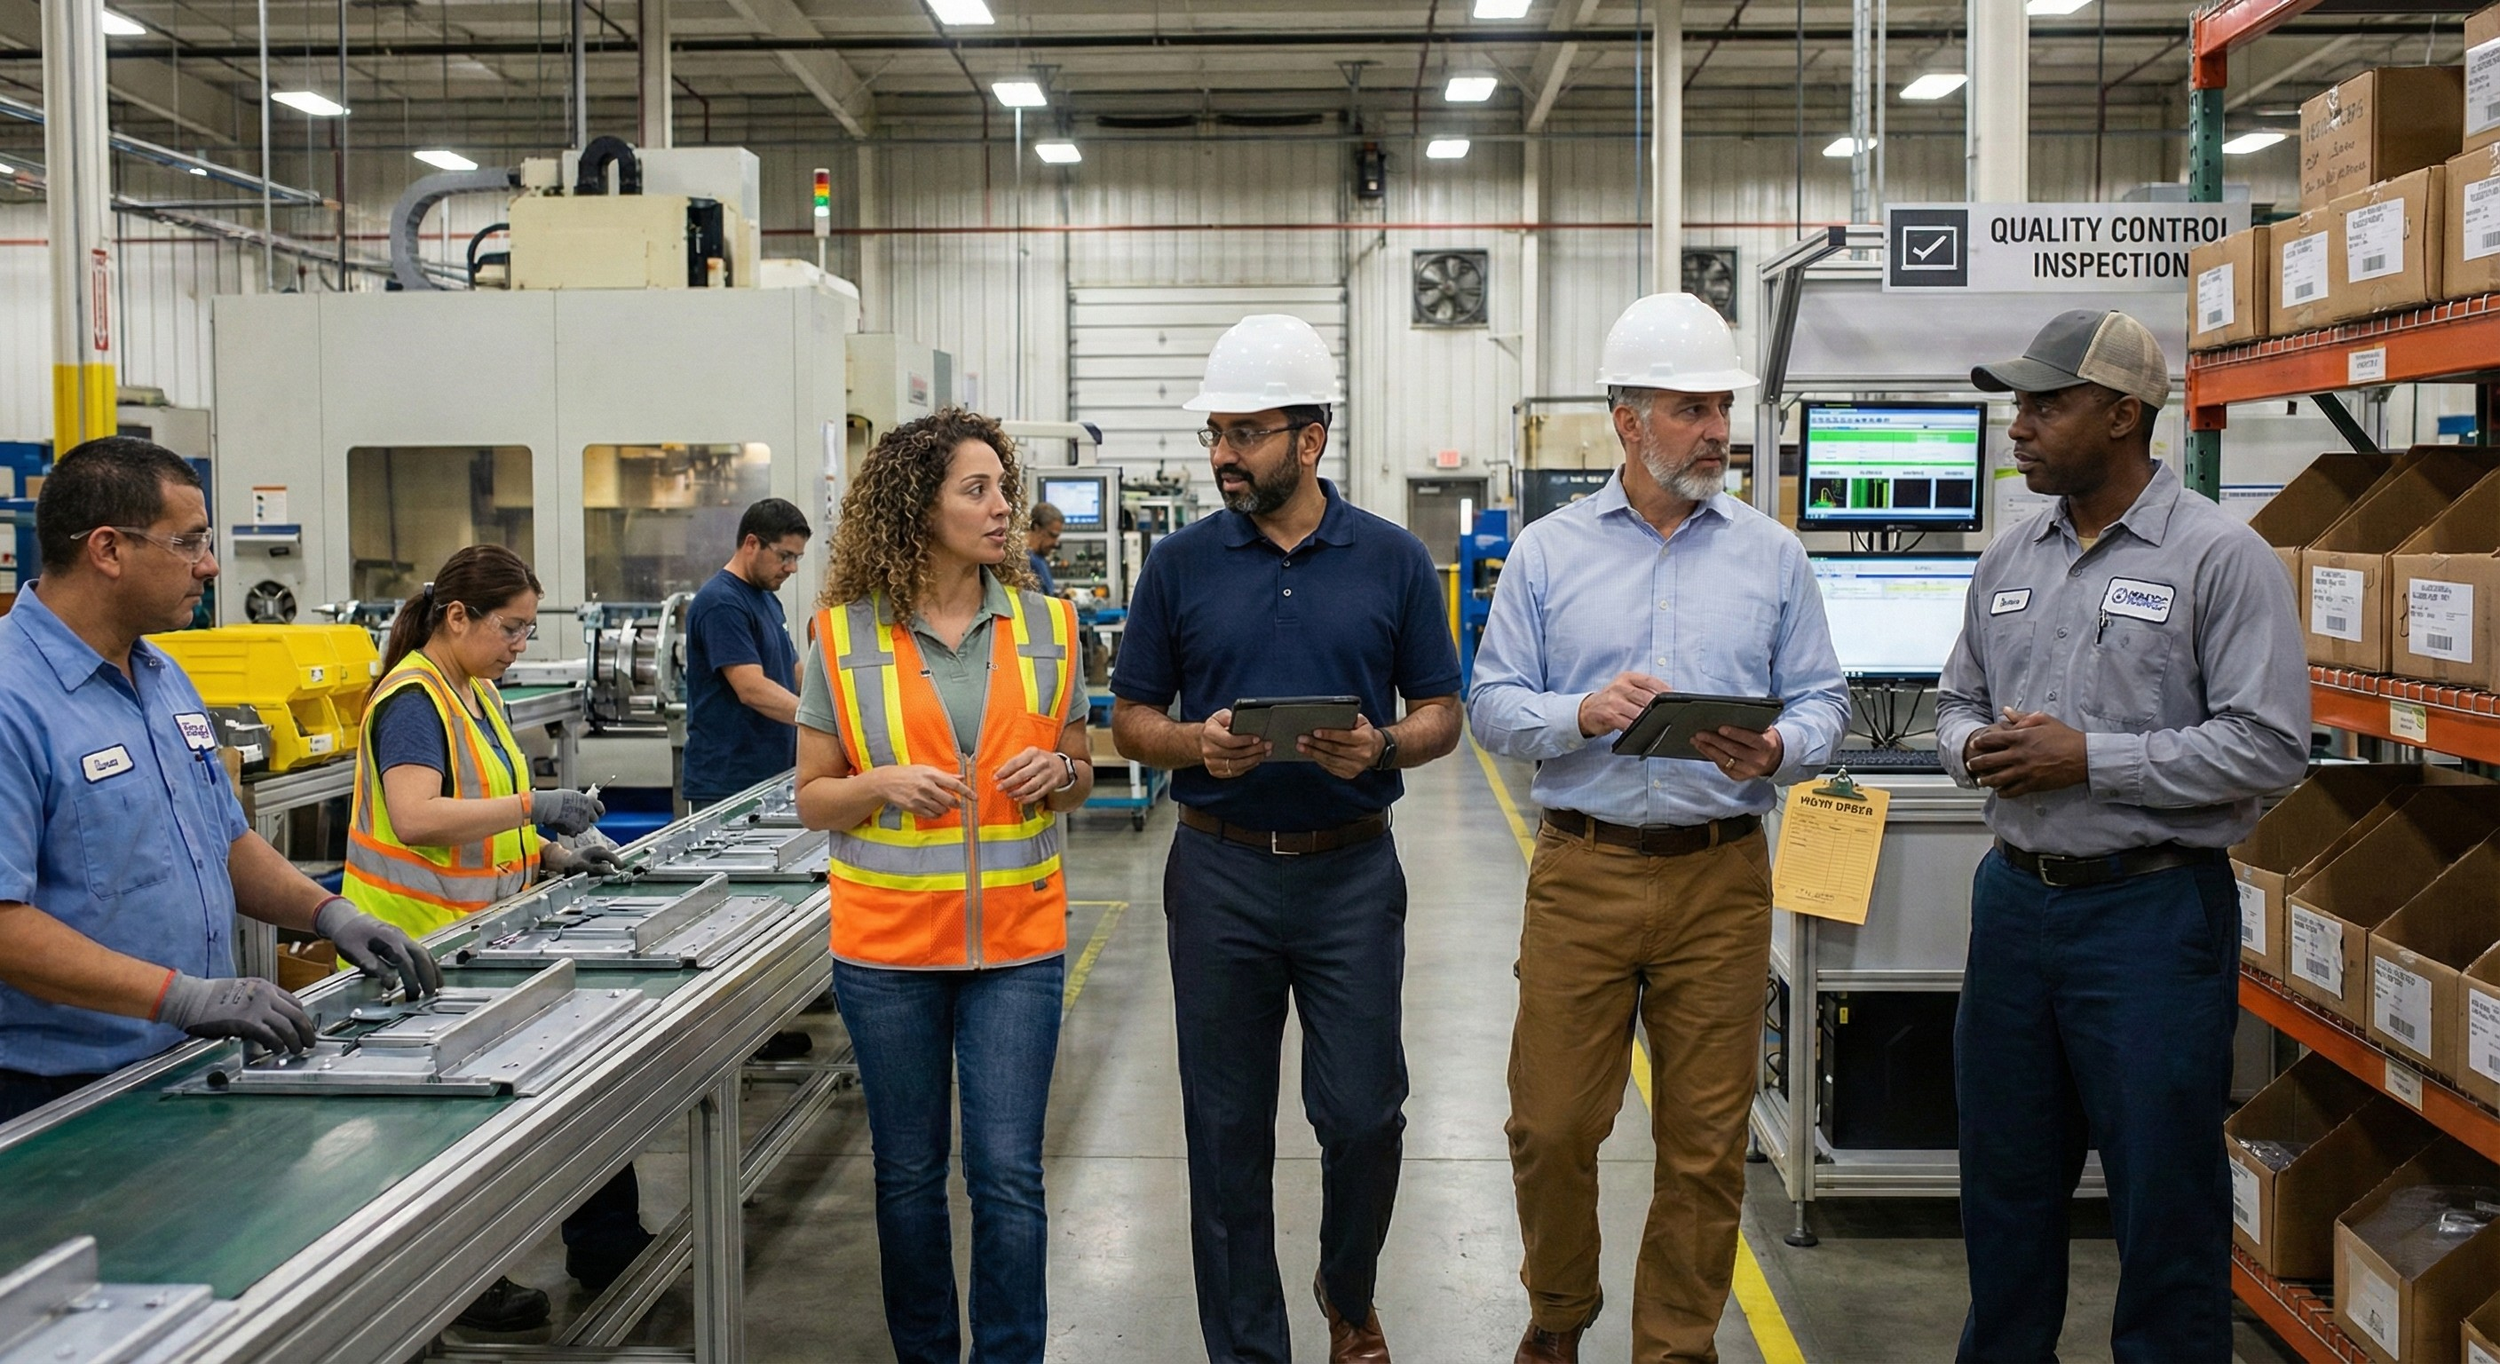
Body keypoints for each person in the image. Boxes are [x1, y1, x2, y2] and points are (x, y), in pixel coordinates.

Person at [1469, 292, 1849, 1364]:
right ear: (1628, 420)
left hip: (1718, 879)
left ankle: (1674, 1343)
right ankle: (1559, 1306)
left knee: (1704, 1141)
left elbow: (1824, 699)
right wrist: (1577, 712)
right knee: (1548, 1124)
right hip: (1581, 869)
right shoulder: (1547, 555)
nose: (1716, 430)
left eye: (1721, 406)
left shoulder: (1771, 556)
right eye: (1692, 408)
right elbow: (1492, 705)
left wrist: (1776, 749)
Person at [1941, 310, 2308, 1361]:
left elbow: (2268, 746)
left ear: (2121, 414)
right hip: (2012, 904)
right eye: (2018, 403)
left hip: (2149, 913)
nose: (2017, 426)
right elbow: (1955, 696)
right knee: (2003, 1182)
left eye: (2043, 405)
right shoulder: (2009, 557)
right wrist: (1970, 747)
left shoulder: (2219, 560)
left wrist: (2089, 758)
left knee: (2162, 1192)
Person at [1111, 313, 1464, 1364]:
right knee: (1224, 1133)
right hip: (1216, 867)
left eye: (1247, 432)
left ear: (1311, 439)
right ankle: (1248, 1349)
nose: (1222, 453)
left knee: (1364, 1114)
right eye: (1216, 431)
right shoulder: (1176, 564)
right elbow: (1131, 718)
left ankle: (1345, 1288)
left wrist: (1383, 746)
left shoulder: (1393, 559)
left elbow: (1442, 710)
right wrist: (1194, 741)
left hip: (1351, 870)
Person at [0, 436, 439, 1122]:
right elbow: (4, 926)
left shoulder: (163, 675)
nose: (208, 566)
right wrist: (183, 995)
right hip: (58, 1094)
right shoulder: (11, 700)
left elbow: (223, 841)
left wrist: (330, 916)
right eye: (188, 543)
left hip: (184, 1061)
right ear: (108, 549)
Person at [794, 407, 1092, 1364]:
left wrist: (1066, 776)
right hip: (885, 954)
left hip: (1018, 947)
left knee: (1007, 1176)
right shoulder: (840, 637)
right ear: (917, 507)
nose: (1004, 505)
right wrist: (875, 786)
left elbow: (1080, 762)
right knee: (909, 1178)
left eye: (1003, 486)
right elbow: (811, 798)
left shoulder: (1051, 626)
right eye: (978, 489)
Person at [345, 542, 645, 1328]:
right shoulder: (414, 700)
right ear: (456, 617)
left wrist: (556, 852)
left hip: (487, 933)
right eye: (510, 629)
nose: (520, 646)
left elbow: (489, 815)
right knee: (443, 1137)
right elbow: (416, 817)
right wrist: (533, 810)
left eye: (525, 631)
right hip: (418, 949)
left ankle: (605, 1242)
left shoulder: (474, 691)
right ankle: (450, 1287)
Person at [681, 497, 811, 814]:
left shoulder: (766, 598)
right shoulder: (722, 602)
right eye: (785, 556)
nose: (791, 568)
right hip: (729, 784)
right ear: (752, 543)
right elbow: (751, 689)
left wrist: (843, 696)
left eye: (797, 558)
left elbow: (792, 671)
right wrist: (822, 721)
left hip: (771, 775)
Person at [1026, 502, 1063, 597]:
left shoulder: (1039, 559)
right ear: (1036, 528)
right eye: (1052, 535)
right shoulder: (1026, 562)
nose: (1055, 543)